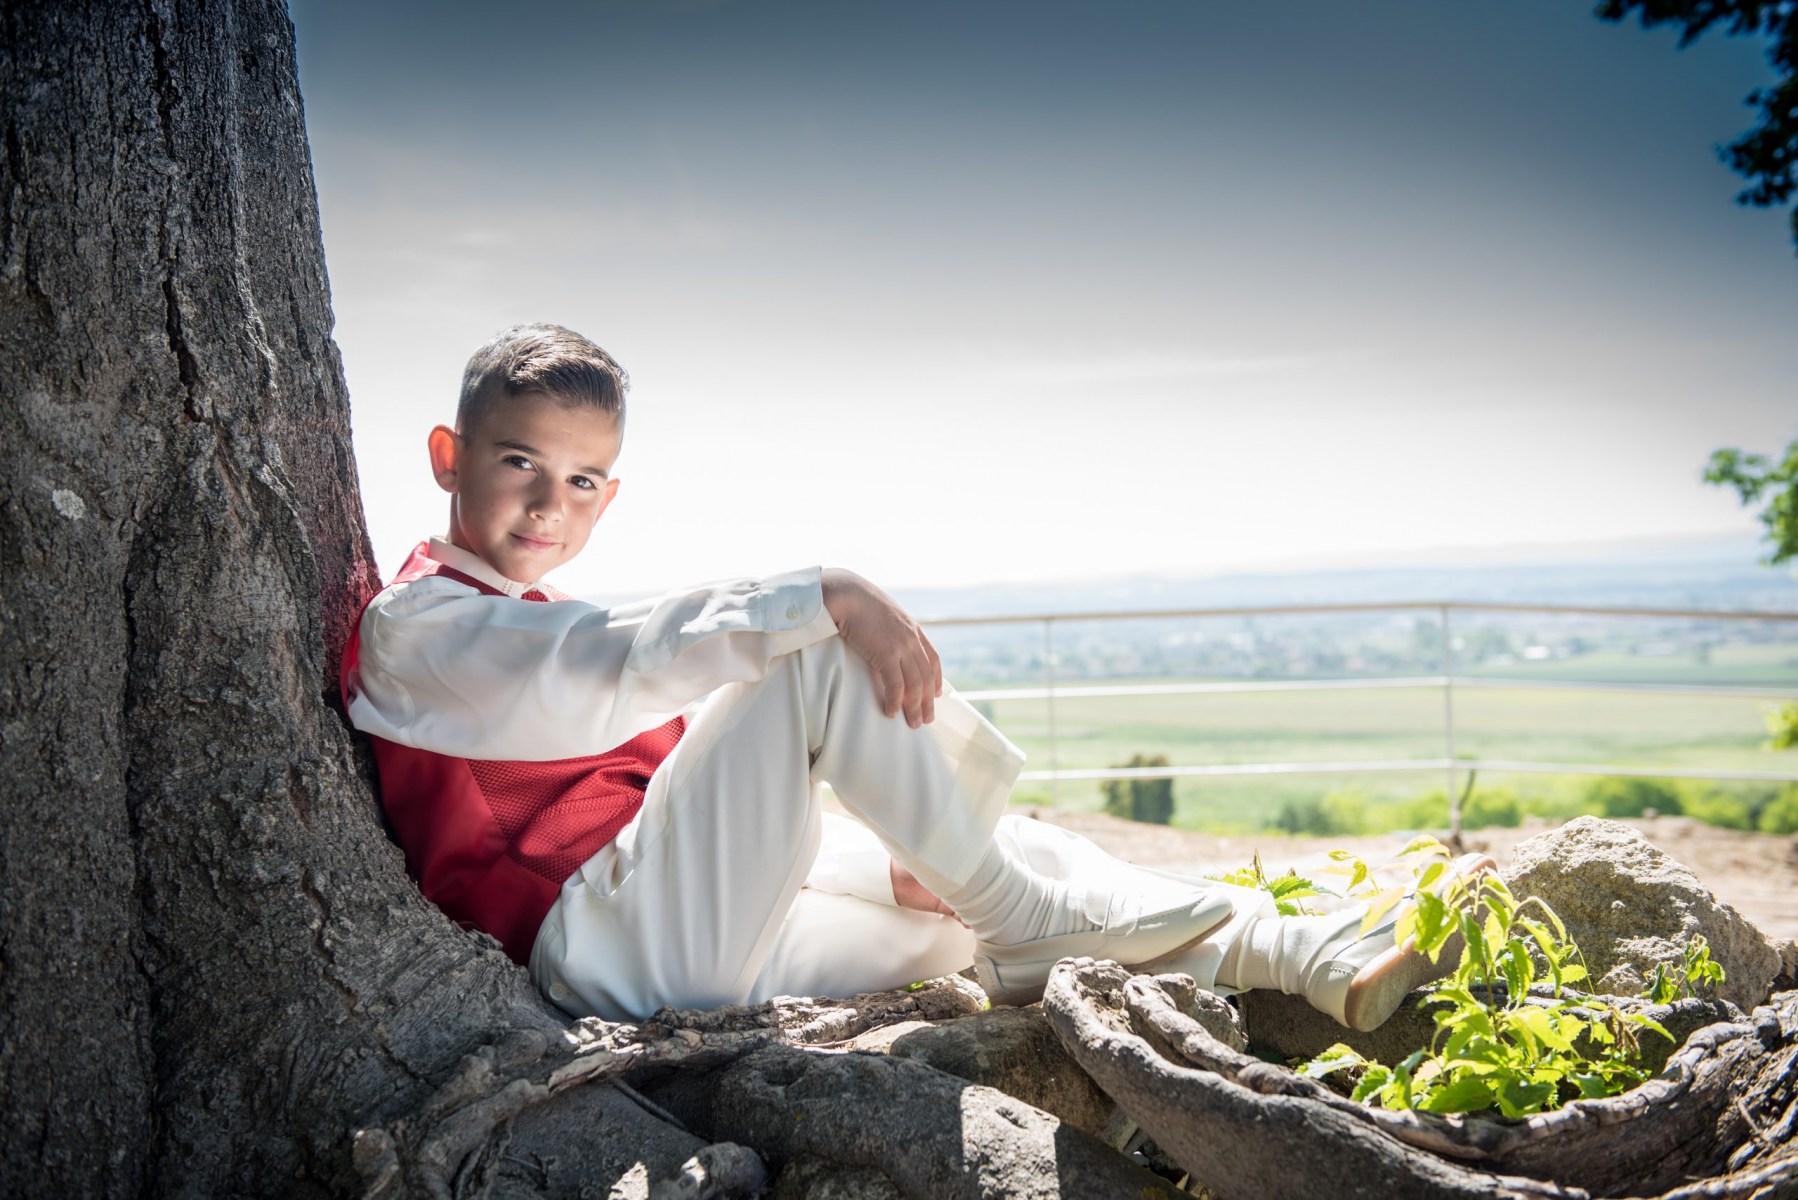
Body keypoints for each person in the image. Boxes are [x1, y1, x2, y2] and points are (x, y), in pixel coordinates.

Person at [341, 323, 1481, 1029]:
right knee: (811, 654)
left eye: (585, 480)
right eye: (520, 462)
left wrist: (900, 856)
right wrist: (826, 590)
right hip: (599, 943)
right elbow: (611, 664)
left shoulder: (524, 616)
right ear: (449, 457)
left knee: (975, 899)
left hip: (686, 925)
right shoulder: (416, 628)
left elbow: (666, 786)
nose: (551, 503)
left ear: (611, 491)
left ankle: (1308, 954)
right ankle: (1021, 910)